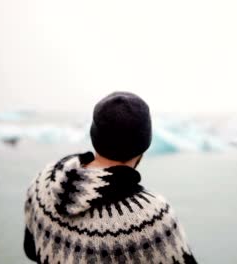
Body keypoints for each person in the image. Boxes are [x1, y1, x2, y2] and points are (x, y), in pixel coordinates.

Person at [23, 91, 197, 263]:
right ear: (144, 143)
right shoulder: (150, 218)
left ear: (94, 135)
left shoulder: (45, 180)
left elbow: (31, 250)